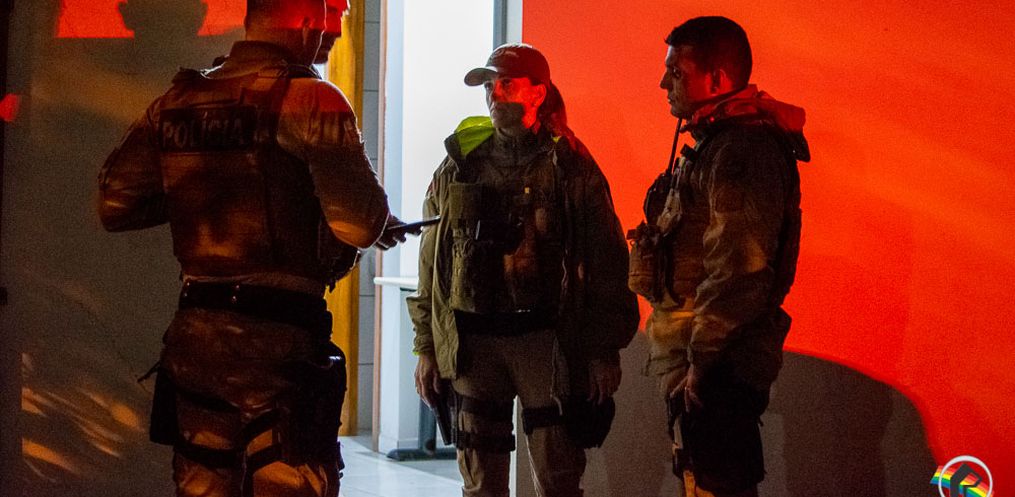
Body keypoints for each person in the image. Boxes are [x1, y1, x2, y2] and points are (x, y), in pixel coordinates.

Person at [98, 0, 404, 495]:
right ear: (306, 21)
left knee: (203, 485)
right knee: (291, 484)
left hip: (196, 341)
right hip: (279, 346)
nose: (331, 34)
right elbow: (359, 225)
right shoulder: (311, 99)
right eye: (330, 20)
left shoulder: (178, 100)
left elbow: (115, 205)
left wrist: (200, 188)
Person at [407, 43, 639, 497]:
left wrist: (602, 350)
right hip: (475, 344)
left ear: (538, 93)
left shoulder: (569, 166)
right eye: (488, 86)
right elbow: (432, 261)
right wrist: (427, 347)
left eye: (506, 84)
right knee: (480, 482)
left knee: (557, 477)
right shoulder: (460, 163)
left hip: (545, 342)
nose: (494, 95)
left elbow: (606, 260)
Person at [628, 16, 810, 497]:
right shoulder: (716, 146)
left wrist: (701, 363)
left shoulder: (741, 152)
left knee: (717, 481)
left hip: (720, 366)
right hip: (701, 360)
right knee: (699, 477)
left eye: (676, 72)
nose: (664, 83)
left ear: (717, 79)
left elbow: (737, 271)